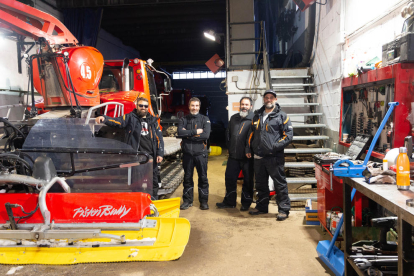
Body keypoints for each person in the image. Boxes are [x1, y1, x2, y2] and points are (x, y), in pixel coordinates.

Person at [95, 97, 164, 200]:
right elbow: (117, 122)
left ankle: (153, 202)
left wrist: (160, 153)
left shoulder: (153, 121)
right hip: (136, 156)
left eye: (145, 106)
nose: (143, 108)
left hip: (151, 156)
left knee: (152, 181)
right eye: (141, 105)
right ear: (137, 106)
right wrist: (104, 118)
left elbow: (159, 138)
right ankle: (137, 202)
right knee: (136, 181)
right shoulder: (130, 117)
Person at [245, 89, 293, 221]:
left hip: (274, 157)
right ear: (264, 99)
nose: (269, 99)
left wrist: (274, 147)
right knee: (260, 183)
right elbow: (251, 134)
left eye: (271, 97)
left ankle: (283, 209)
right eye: (266, 97)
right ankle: (261, 206)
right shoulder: (257, 115)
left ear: (275, 100)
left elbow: (288, 136)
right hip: (258, 156)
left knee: (279, 183)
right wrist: (248, 148)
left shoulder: (282, 116)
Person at [216, 97, 254, 211]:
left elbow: (253, 137)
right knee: (230, 178)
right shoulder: (233, 118)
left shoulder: (254, 119)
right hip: (233, 156)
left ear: (251, 106)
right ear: (240, 105)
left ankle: (246, 203)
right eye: (243, 104)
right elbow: (228, 134)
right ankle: (230, 201)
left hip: (247, 157)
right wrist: (229, 147)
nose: (244, 106)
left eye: (247, 104)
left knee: (247, 180)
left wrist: (248, 149)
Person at [177, 97, 211, 210]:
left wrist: (188, 135)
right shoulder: (183, 119)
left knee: (203, 178)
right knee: (187, 178)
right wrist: (195, 132)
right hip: (187, 154)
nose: (194, 108)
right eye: (192, 105)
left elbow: (205, 135)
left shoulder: (205, 119)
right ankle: (187, 201)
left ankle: (204, 202)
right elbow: (180, 133)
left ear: (199, 107)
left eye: (196, 106)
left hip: (201, 154)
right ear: (189, 106)